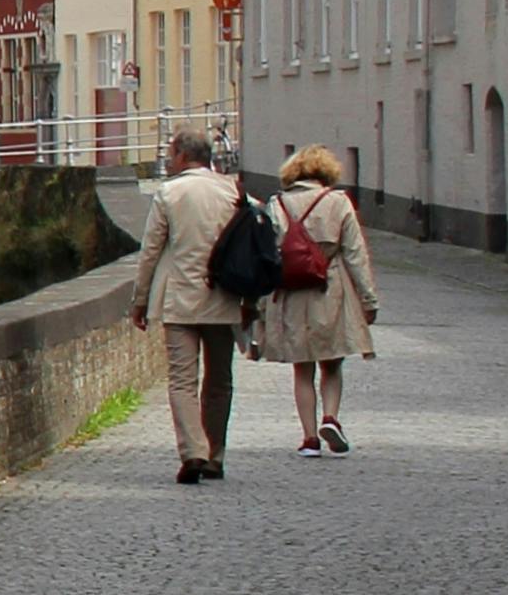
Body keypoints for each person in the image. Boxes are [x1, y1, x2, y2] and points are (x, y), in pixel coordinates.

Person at [125, 130, 248, 481]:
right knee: (220, 379)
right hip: (223, 297)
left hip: (180, 298)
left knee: (182, 379)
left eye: (170, 153)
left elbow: (150, 251)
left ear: (181, 155)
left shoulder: (170, 192)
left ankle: (193, 451)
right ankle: (216, 454)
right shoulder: (235, 191)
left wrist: (140, 300)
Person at [243, 142, 380, 454]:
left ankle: (309, 438)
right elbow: (356, 255)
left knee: (302, 368)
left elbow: (267, 253)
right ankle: (331, 417)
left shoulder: (278, 204)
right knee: (332, 362)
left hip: (290, 291)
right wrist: (368, 300)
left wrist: (258, 306)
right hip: (329, 287)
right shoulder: (338, 202)